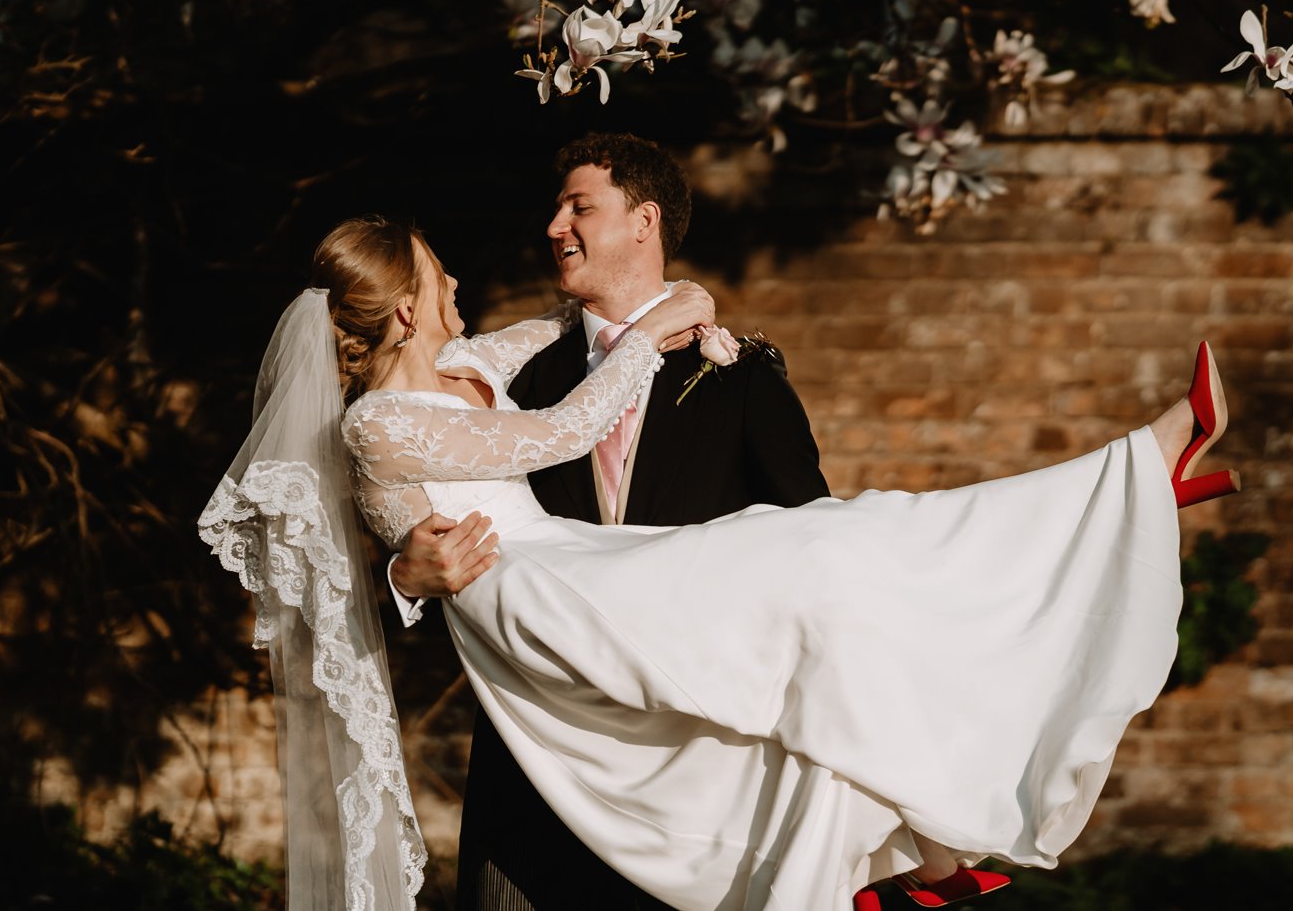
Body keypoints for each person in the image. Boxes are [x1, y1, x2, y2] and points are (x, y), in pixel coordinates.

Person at [201, 221, 1238, 911]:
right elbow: (560, 433)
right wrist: (406, 570)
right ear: (403, 309)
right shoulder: (380, 424)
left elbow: (597, 316)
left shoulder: (472, 364)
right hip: (536, 596)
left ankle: (1127, 481)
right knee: (809, 573)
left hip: (583, 567)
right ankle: (926, 845)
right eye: (439, 275)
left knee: (832, 562)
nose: (459, 281)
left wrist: (678, 305)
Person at [386, 135, 829, 911]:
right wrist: (402, 575)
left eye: (579, 206)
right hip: (529, 763)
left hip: (688, 773)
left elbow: (811, 550)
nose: (555, 224)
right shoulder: (506, 380)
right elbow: (400, 499)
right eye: (557, 207)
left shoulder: (742, 378)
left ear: (643, 221)